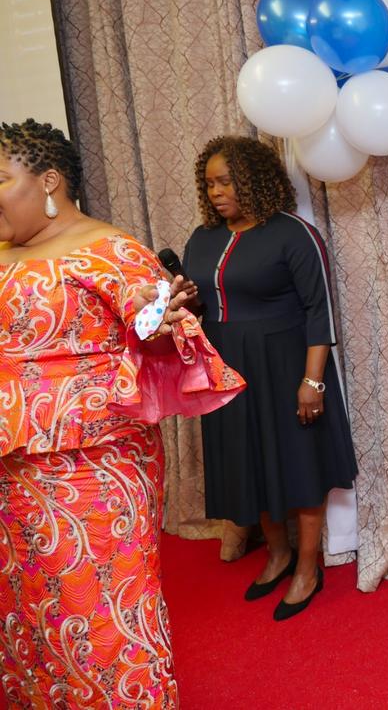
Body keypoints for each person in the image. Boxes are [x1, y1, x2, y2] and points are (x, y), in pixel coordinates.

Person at [0, 119, 244, 707]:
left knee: (98, 608)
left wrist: (161, 326)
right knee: (28, 607)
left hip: (93, 466)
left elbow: (160, 333)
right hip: (10, 465)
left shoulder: (111, 250)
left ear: (49, 181)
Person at [183, 136, 358, 621]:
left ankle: (307, 567)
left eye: (226, 182)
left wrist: (313, 382)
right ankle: (278, 553)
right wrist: (186, 301)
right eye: (210, 184)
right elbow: (205, 306)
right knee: (250, 462)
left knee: (300, 463)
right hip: (227, 368)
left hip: (284, 365)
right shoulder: (202, 237)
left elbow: (319, 310)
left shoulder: (293, 234)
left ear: (254, 180)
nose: (216, 192)